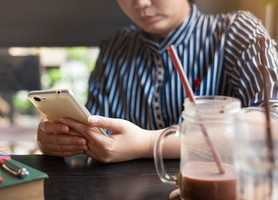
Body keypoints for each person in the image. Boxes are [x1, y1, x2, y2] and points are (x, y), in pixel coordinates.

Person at [37, 0, 278, 163]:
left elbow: (272, 124)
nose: (140, 3)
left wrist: (149, 143)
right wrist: (65, 139)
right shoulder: (114, 47)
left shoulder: (237, 31)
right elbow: (95, 130)